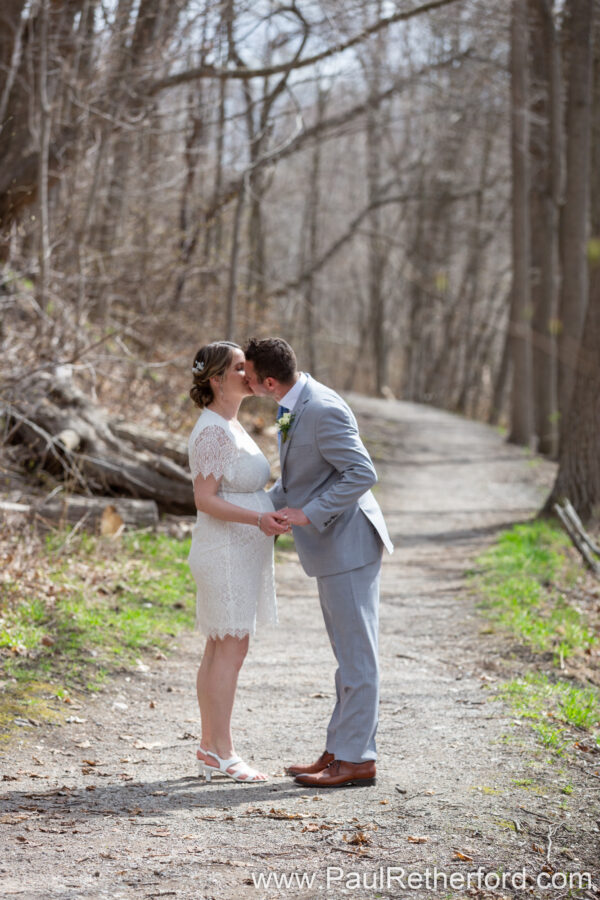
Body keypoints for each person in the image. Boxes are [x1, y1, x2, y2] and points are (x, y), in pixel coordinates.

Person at [244, 337, 393, 788]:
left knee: (358, 657)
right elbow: (299, 479)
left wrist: (309, 513)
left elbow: (362, 472)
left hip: (349, 546)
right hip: (333, 550)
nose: (244, 382)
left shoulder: (322, 408)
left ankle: (358, 759)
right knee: (346, 656)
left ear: (269, 381)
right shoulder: (294, 402)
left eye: (248, 376)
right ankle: (338, 750)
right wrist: (256, 513)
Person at [187, 341, 289, 784]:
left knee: (222, 646)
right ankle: (225, 752)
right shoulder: (212, 430)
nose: (249, 374)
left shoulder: (231, 424)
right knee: (229, 647)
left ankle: (210, 748)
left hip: (239, 550)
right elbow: (204, 499)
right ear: (215, 379)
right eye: (239, 369)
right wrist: (258, 517)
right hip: (225, 550)